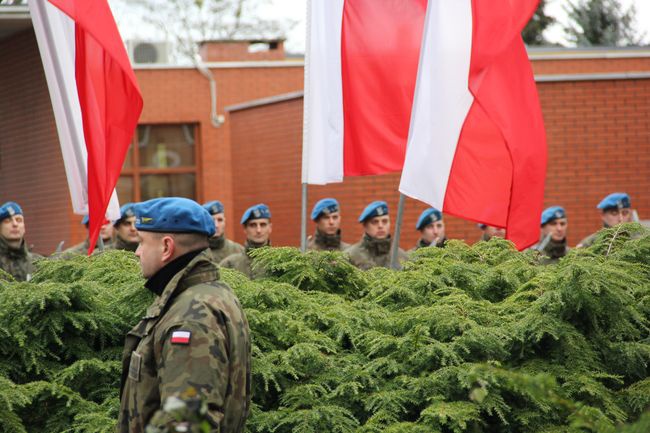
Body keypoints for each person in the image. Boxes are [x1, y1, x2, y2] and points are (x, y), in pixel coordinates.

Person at [118, 197, 251, 433]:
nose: (137, 252)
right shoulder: (209, 294)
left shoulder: (191, 318)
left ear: (167, 247)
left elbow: (188, 424)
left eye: (142, 242)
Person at [345, 201, 407, 270]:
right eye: (375, 222)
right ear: (365, 225)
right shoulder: (350, 256)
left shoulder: (402, 256)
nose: (380, 226)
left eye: (384, 221)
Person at [220, 204, 271, 279]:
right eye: (253, 225)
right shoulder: (229, 264)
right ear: (245, 229)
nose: (258, 230)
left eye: (263, 225)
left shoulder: (282, 263)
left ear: (270, 228)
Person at [0, 201, 41, 281]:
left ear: (24, 227)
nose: (15, 224)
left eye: (19, 220)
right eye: (8, 221)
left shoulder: (38, 262)